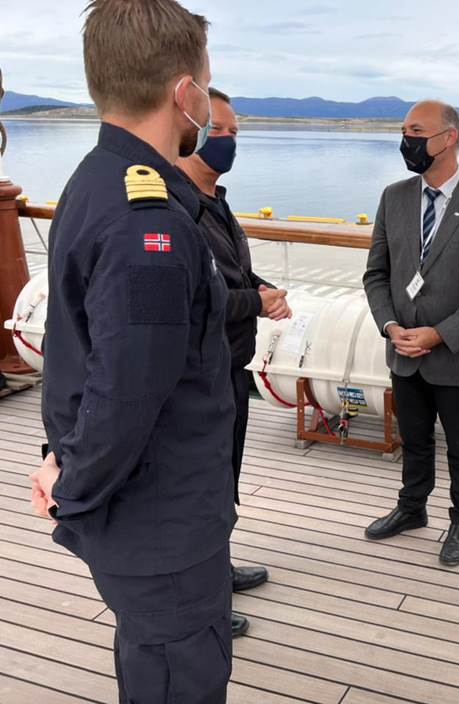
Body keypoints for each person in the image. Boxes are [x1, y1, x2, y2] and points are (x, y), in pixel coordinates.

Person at [29, 1, 236, 701]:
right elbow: (129, 390)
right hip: (164, 524)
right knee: (179, 678)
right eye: (206, 83)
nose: (207, 100)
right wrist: (71, 485)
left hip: (143, 518)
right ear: (185, 93)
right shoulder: (146, 224)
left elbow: (85, 352)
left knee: (149, 667)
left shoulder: (94, 182)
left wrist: (61, 460)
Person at [362, 100, 459, 566]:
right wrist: (391, 326)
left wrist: (439, 335)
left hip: (456, 354)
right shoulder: (393, 197)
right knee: (415, 436)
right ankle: (412, 509)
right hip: (402, 349)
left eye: (415, 131)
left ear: (449, 138)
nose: (406, 140)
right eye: (404, 130)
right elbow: (377, 275)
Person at [177, 87, 291, 639]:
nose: (229, 142)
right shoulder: (175, 208)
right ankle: (200, 603)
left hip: (232, 366)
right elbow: (200, 301)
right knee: (200, 488)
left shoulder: (215, 201)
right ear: (188, 126)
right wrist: (259, 302)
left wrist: (261, 286)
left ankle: (215, 572)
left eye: (235, 134)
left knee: (222, 481)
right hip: (201, 372)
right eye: (218, 130)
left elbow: (229, 276)